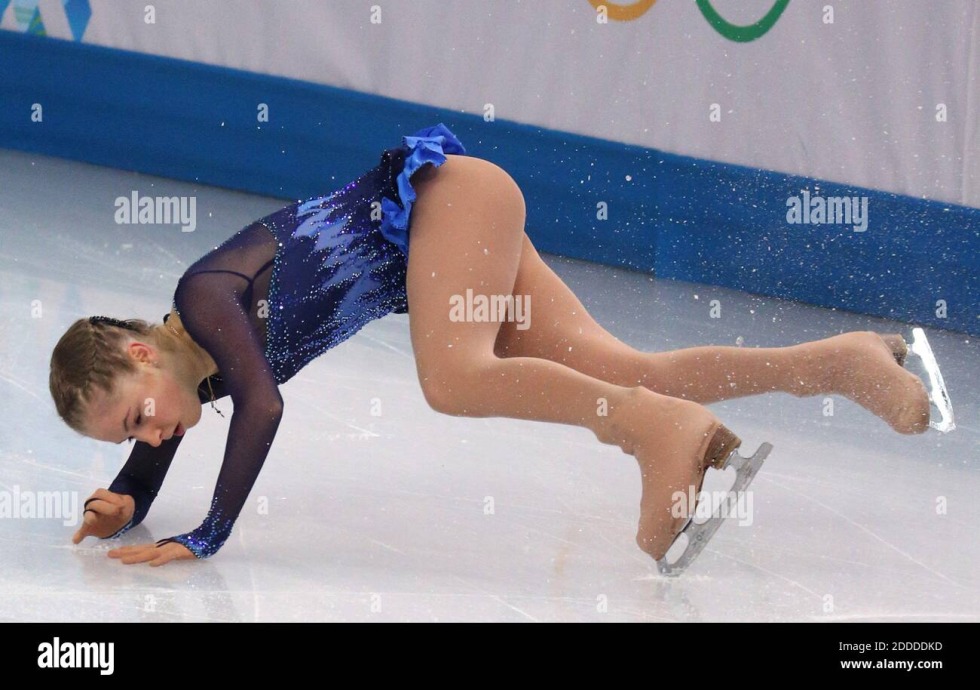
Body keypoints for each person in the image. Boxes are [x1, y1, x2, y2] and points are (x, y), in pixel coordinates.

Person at [49, 123, 932, 570]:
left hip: (446, 204)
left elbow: (264, 403)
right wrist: (130, 496)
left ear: (136, 355)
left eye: (136, 421)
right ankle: (846, 362)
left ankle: (654, 432)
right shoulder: (189, 371)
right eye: (135, 439)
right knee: (624, 368)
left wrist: (209, 535)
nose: (150, 435)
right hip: (446, 241)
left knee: (455, 379)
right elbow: (190, 410)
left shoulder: (204, 303)